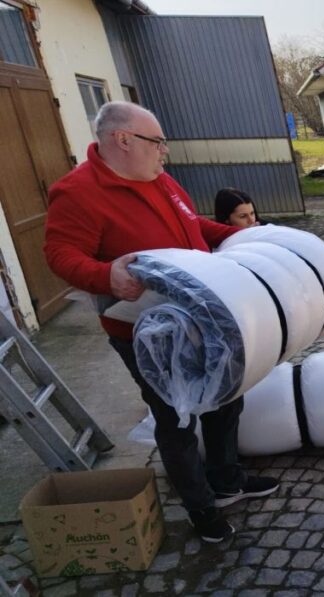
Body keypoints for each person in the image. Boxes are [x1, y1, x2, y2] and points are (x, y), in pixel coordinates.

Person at [43, 101, 278, 543]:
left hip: (205, 316)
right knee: (175, 417)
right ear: (123, 140)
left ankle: (226, 481)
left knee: (227, 397)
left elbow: (195, 228)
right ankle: (201, 508)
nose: (164, 150)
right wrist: (105, 276)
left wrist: (256, 236)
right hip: (148, 332)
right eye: (157, 141)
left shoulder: (160, 179)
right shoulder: (77, 192)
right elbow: (60, 253)